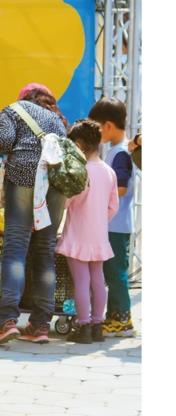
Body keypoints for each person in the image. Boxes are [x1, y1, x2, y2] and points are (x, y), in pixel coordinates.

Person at [0, 85, 68, 345]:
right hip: (56, 183)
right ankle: (39, 326)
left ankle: (5, 321)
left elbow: (4, 143)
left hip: (25, 177)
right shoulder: (58, 119)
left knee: (16, 247)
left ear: (22, 99)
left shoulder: (12, 110)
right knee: (44, 250)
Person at [56, 119, 118, 344]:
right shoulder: (109, 172)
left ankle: (83, 328)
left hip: (77, 234)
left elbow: (66, 202)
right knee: (98, 281)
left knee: (80, 282)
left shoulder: (80, 172)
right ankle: (97, 326)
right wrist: (100, 219)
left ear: (79, 144)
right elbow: (113, 206)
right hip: (99, 235)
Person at [88, 96, 137, 337]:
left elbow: (121, 187)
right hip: (113, 225)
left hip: (116, 226)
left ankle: (122, 319)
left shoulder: (120, 153)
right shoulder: (117, 151)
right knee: (112, 271)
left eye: (97, 127)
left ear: (108, 126)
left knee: (116, 272)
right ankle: (115, 317)